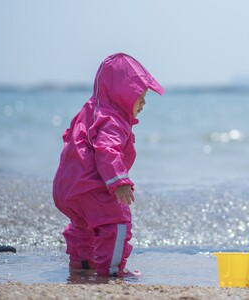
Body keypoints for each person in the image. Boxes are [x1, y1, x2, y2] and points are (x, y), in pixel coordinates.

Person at [53, 53, 164, 277]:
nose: (143, 103)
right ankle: (112, 270)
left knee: (83, 227)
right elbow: (107, 150)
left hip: (68, 187)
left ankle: (82, 264)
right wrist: (119, 181)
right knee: (117, 223)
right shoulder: (113, 119)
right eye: (139, 96)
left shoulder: (91, 110)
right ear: (121, 94)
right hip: (92, 186)